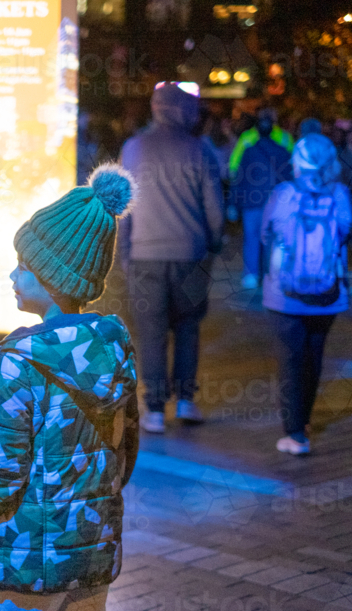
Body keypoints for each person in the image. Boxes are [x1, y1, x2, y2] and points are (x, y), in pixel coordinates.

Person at [0, 164, 139, 611]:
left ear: (54, 277)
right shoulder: (113, 348)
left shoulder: (18, 364)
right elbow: (126, 452)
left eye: (23, 266)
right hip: (90, 549)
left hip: (25, 557)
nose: (12, 276)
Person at [120, 83, 224, 433]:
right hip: (190, 256)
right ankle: (185, 401)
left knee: (150, 334)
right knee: (188, 328)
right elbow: (214, 207)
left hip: (145, 257)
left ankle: (153, 410)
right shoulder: (199, 150)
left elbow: (123, 207)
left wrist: (124, 252)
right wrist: (213, 243)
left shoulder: (133, 148)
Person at [261, 134, 352, 456]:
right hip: (328, 294)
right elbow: (346, 233)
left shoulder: (284, 194)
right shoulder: (340, 195)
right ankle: (305, 421)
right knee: (314, 357)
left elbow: (265, 233)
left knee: (290, 360)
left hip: (284, 295)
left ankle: (295, 433)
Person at [233, 108, 294, 290]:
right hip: (276, 204)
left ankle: (251, 275)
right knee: (273, 239)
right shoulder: (285, 143)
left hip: (251, 203)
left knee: (251, 238)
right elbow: (290, 177)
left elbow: (237, 172)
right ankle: (272, 275)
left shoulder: (247, 144)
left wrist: (234, 203)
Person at [229, 106, 294, 180]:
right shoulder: (285, 136)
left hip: (253, 178)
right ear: (275, 118)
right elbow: (292, 160)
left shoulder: (246, 136)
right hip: (278, 179)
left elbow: (235, 160)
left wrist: (234, 175)